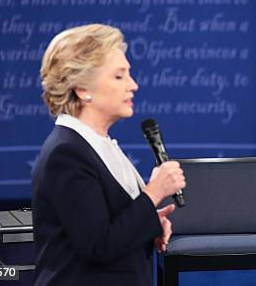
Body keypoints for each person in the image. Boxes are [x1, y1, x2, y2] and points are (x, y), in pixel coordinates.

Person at [32, 24, 186, 285]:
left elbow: (113, 226)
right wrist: (154, 192)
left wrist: (150, 223)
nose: (133, 85)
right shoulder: (66, 154)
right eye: (119, 76)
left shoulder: (95, 144)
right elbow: (98, 245)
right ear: (82, 88)